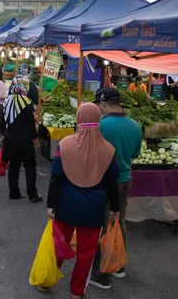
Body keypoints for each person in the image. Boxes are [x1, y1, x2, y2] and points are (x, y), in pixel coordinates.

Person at [45, 103, 120, 298]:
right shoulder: (109, 150)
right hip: (94, 210)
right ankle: (77, 292)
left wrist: (50, 205)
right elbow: (112, 183)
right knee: (86, 254)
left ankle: (47, 282)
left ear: (78, 119)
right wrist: (115, 209)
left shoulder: (65, 145)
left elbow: (56, 178)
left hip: (66, 206)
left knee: (59, 245)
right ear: (98, 119)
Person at [90, 87, 142, 288]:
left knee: (102, 223)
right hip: (125, 178)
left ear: (103, 104)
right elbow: (136, 154)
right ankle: (119, 266)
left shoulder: (100, 126)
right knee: (120, 221)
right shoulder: (135, 126)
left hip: (103, 181)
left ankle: (102, 273)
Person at [2, 77, 42, 202]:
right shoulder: (26, 101)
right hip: (24, 140)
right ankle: (33, 194)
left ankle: (14, 193)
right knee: (30, 166)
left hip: (10, 138)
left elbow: (5, 121)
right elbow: (30, 125)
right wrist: (35, 140)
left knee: (14, 166)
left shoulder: (7, 100)